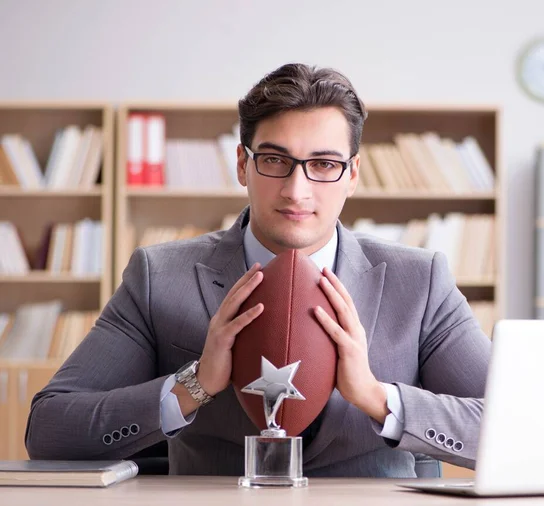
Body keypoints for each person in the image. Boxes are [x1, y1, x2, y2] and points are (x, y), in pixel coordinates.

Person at [25, 63, 491, 478]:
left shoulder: (420, 280)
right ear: (242, 165)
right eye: (275, 160)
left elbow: (518, 425)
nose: (296, 190)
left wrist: (375, 397)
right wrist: (194, 385)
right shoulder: (160, 275)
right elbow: (49, 429)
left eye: (324, 164)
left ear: (352, 175)